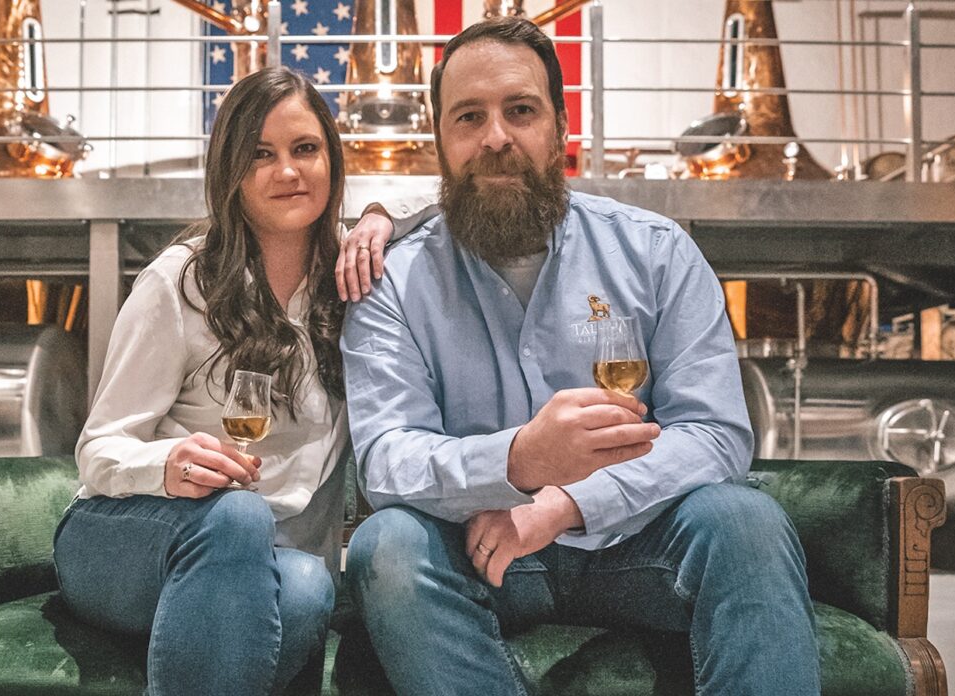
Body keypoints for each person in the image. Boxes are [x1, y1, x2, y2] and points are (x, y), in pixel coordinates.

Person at [341, 18, 822, 696]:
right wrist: (515, 463)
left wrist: (564, 502)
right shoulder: (391, 282)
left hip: (639, 544)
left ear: (560, 126)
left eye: (521, 111)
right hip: (478, 552)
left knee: (746, 519)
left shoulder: (656, 252)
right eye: (468, 117)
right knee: (387, 545)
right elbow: (387, 459)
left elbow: (714, 433)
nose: (496, 138)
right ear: (440, 140)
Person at [53, 66, 398, 696]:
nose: (288, 171)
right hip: (130, 538)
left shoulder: (355, 280)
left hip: (269, 560)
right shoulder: (179, 282)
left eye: (305, 149)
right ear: (230, 172)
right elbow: (98, 449)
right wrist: (165, 464)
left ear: (333, 159)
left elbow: (445, 206)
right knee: (237, 516)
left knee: (308, 589)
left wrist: (380, 214)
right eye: (261, 155)